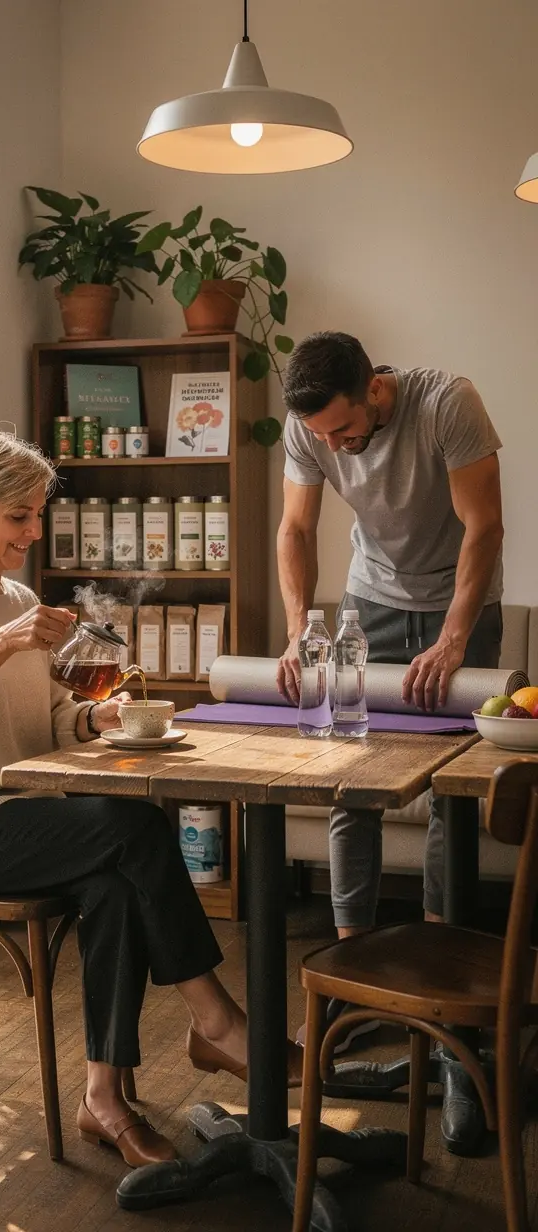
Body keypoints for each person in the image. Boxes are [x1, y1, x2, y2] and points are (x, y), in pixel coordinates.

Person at [0, 428, 304, 1168]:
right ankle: (217, 1020)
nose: (34, 531)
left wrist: (94, 718)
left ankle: (102, 1099)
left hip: (13, 812)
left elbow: (42, 723)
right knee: (132, 824)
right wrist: (3, 644)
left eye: (39, 513)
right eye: (19, 516)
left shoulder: (16, 597)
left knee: (113, 883)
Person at [276, 331, 504, 1153]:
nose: (335, 449)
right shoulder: (310, 425)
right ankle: (355, 985)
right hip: (371, 597)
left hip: (457, 605)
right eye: (324, 438)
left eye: (345, 431)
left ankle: (445, 1006)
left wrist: (451, 640)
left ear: (377, 389)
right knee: (351, 779)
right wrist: (301, 629)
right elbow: (296, 532)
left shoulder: (449, 402)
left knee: (450, 794)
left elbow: (485, 526)